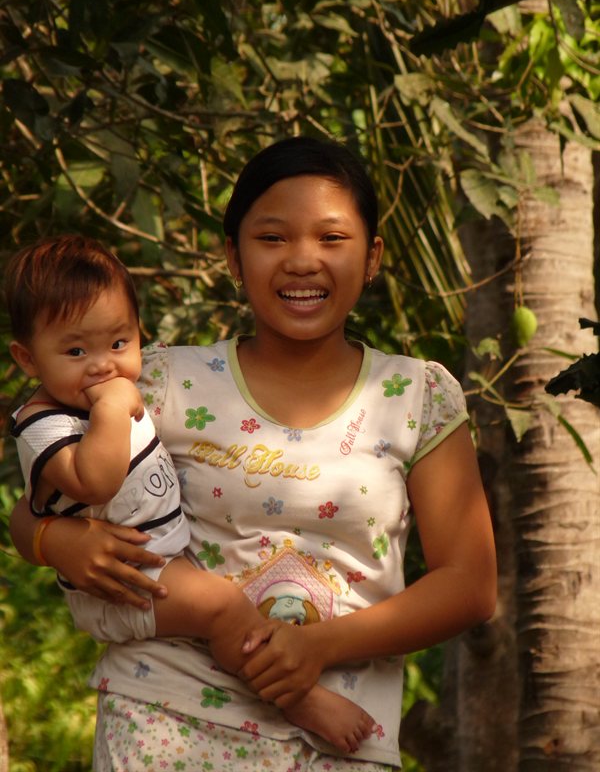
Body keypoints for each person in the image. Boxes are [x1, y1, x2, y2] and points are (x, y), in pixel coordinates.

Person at [9, 137, 497, 772]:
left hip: (341, 739)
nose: (302, 261)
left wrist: (318, 646)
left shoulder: (417, 396)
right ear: (232, 256)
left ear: (372, 255)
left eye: (331, 238)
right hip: (163, 721)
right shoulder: (150, 381)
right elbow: (39, 493)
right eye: (271, 239)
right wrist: (54, 543)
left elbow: (469, 585)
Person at [5, 233, 375, 755]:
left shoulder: (138, 382)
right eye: (75, 351)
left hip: (153, 561)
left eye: (118, 343)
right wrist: (113, 410)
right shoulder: (42, 423)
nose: (102, 366)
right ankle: (298, 700)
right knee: (223, 605)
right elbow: (96, 481)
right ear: (27, 359)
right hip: (122, 579)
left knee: (221, 603)